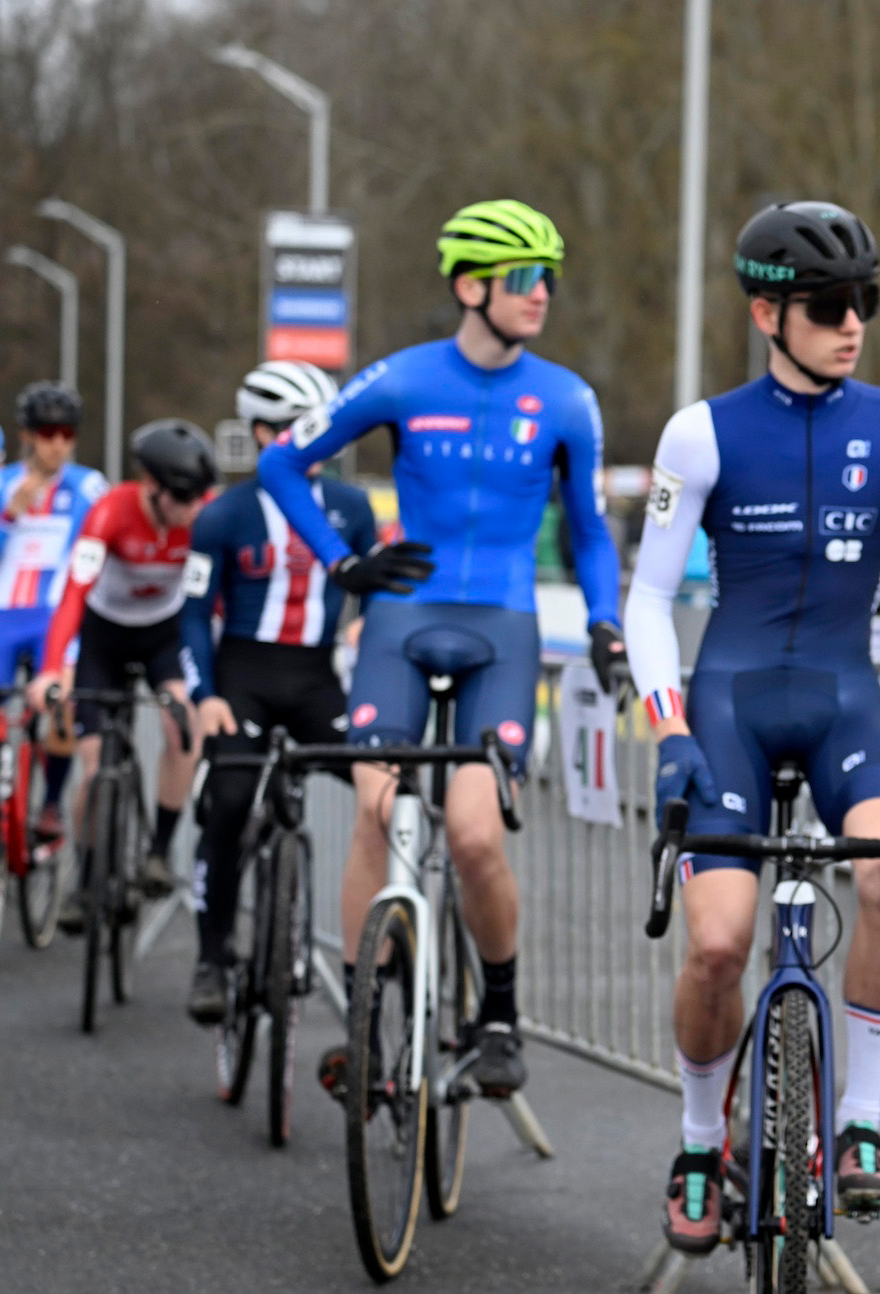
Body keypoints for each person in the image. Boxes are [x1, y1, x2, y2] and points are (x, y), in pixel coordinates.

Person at [625, 199, 880, 1254]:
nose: (854, 323)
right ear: (767, 311)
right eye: (828, 305)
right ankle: (699, 1139)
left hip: (847, 697)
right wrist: (665, 727)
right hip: (731, 704)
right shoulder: (699, 431)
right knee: (716, 945)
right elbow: (647, 601)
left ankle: (857, 1121)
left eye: (867, 301)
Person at [257, 199, 623, 1101]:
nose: (543, 295)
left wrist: (607, 619)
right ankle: (362, 1019)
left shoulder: (567, 398)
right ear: (472, 286)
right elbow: (279, 466)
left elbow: (589, 531)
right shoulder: (401, 380)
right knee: (378, 815)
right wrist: (344, 562)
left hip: (502, 627)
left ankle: (498, 1015)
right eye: (526, 278)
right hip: (400, 620)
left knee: (470, 834)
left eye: (550, 278)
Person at [179, 360, 375, 1024]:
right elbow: (191, 613)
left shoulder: (350, 507)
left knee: (388, 788)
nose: (311, 441)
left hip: (317, 677)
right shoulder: (223, 516)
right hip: (244, 677)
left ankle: (392, 944)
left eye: (320, 429)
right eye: (294, 428)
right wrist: (205, 693)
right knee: (231, 799)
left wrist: (369, 637)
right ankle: (211, 957)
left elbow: (376, 593)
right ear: (262, 433)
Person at [33, 420, 215, 931]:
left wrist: (204, 689)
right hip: (103, 641)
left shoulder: (198, 521)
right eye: (181, 496)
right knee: (92, 769)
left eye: (198, 496)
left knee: (183, 727)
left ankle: (157, 851)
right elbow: (72, 593)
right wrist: (51, 671)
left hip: (162, 638)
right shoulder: (111, 511)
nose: (191, 508)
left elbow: (208, 603)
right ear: (150, 485)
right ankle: (85, 880)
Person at [0, 389, 105, 899]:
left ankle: (51, 805)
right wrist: (9, 516)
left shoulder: (89, 485)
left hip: (57, 621)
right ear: (29, 436)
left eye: (68, 435)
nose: (58, 446)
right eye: (48, 435)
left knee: (60, 708)